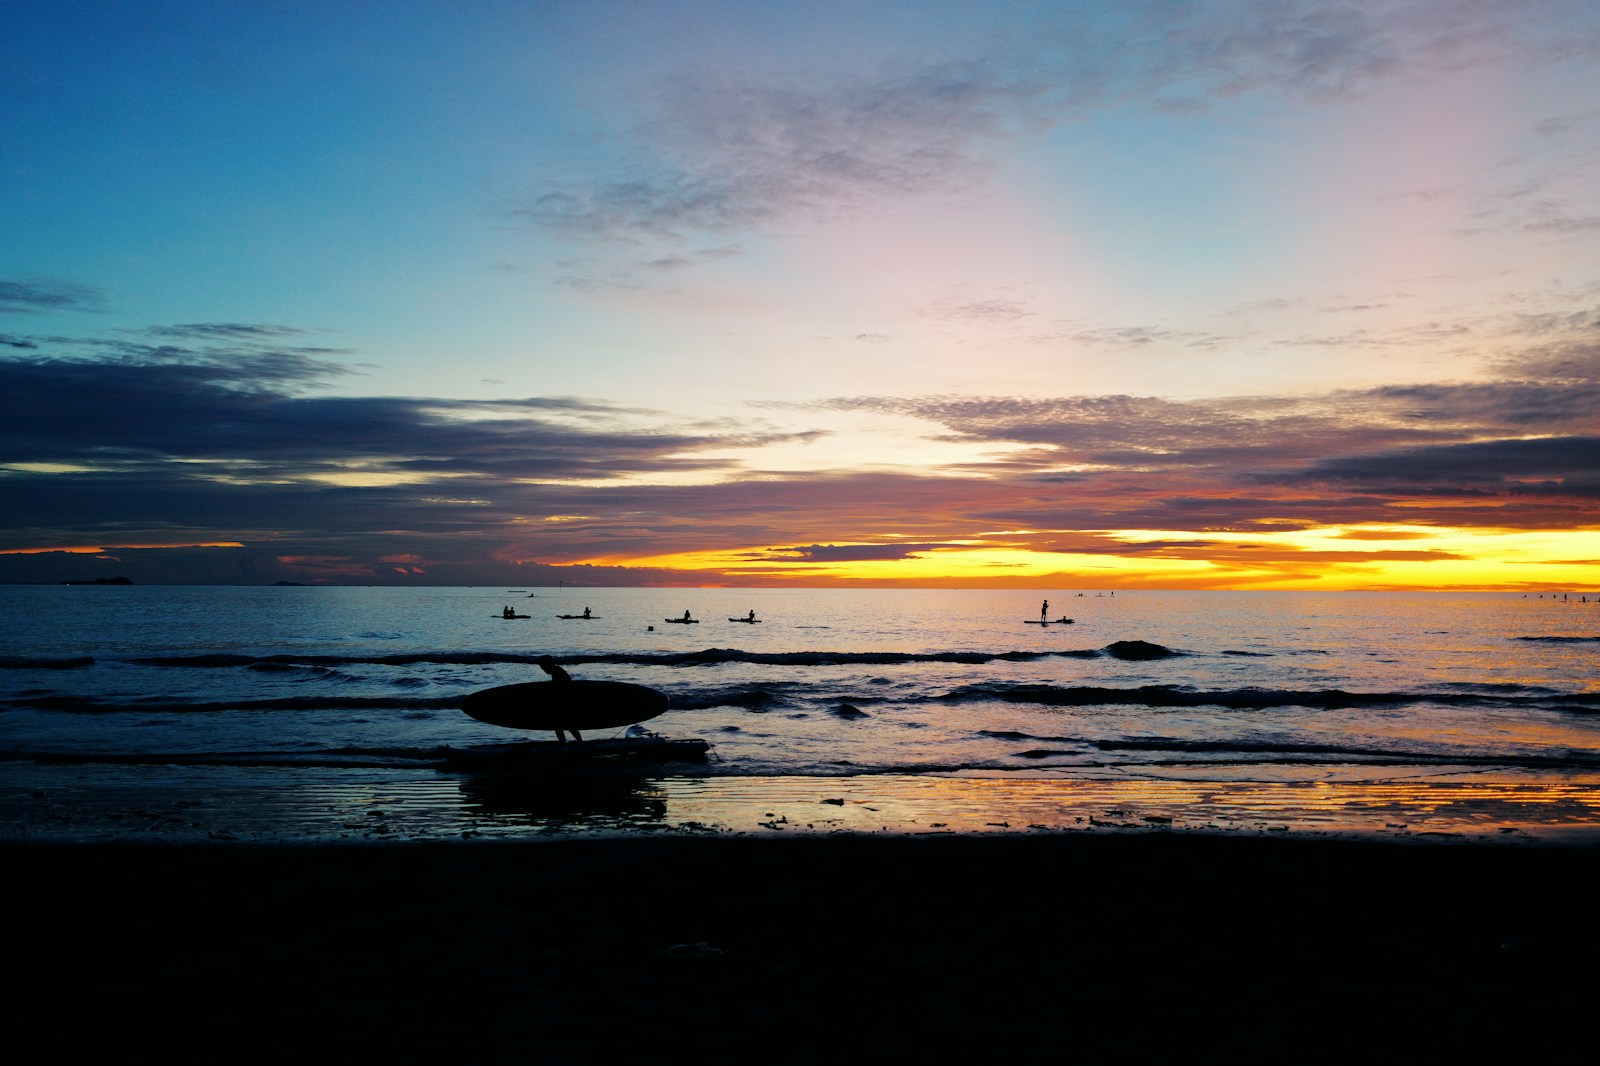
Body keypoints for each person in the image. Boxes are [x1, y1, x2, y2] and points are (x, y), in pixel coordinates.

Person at [537, 655, 580, 742]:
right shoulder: (557, 671)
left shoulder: (557, 672)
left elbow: (561, 688)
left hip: (566, 702)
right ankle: (572, 742)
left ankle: (573, 743)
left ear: (548, 665)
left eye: (543, 667)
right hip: (565, 701)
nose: (544, 670)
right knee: (562, 725)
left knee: (563, 725)